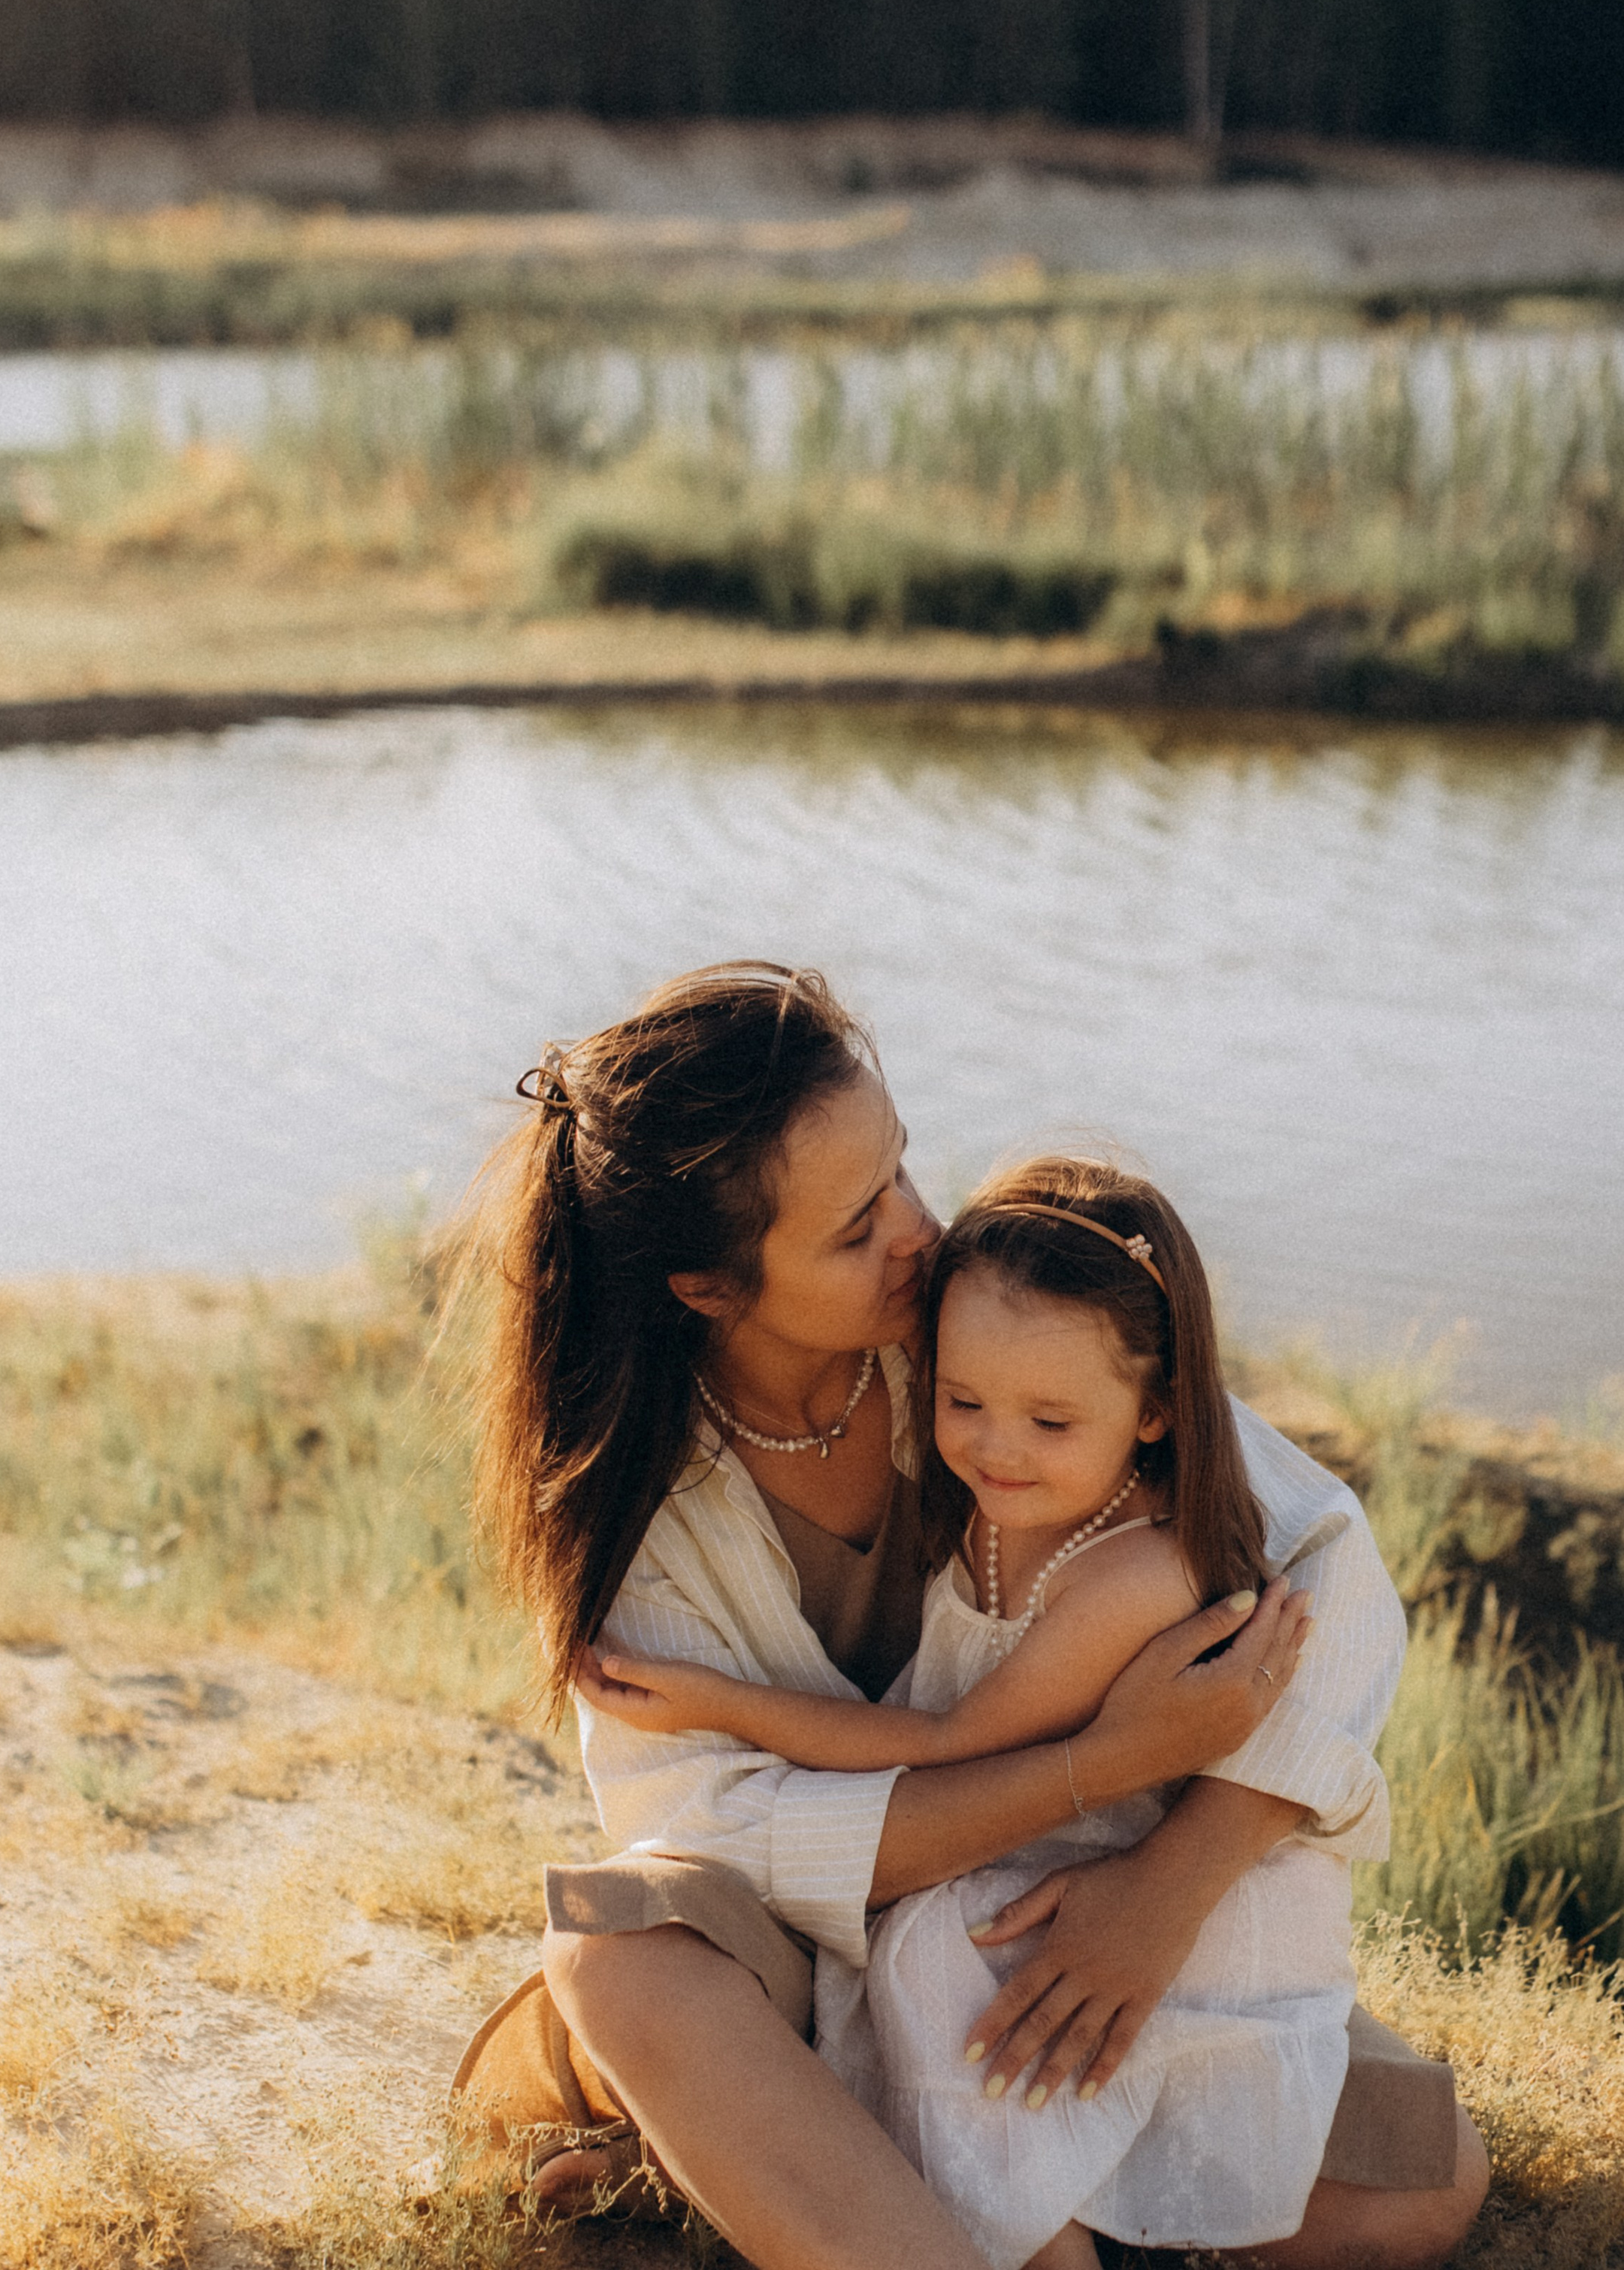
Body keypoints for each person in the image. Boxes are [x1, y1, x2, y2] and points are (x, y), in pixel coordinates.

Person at [454, 961, 1486, 2270]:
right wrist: (1096, 1763)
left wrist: (1166, 1887)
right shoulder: (634, 1503)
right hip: (811, 1953)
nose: (917, 1227)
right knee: (622, 1955)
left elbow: (1326, 1566)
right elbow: (721, 1832)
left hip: (1056, 1919)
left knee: (1422, 2184)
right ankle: (821, 2152)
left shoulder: (989, 1321)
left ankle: (799, 2169)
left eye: (899, 1169)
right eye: (853, 1226)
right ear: (709, 1288)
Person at [579, 1156, 1361, 2270]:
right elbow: (755, 1809)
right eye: (963, 1402)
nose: (996, 1447)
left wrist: (722, 1699)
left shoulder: (1127, 1568)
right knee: (902, 1971)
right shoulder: (1001, 1414)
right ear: (708, 1281)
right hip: (995, 1842)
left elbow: (942, 1741)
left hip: (1106, 1866)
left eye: (1048, 1420)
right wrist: (704, 1701)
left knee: (933, 1969)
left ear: (1156, 1413)